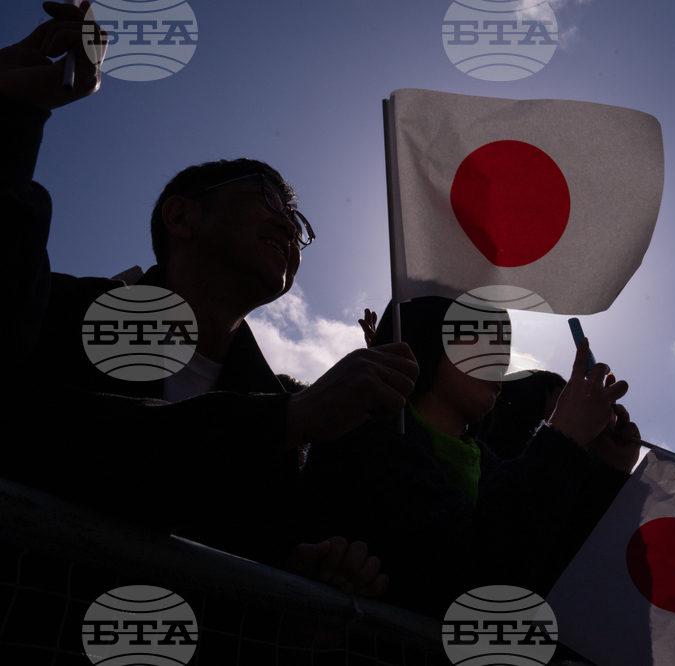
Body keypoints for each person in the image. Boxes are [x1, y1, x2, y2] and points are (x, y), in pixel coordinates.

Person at [0, 2, 418, 594]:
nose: (289, 228)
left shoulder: (275, 409)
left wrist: (286, 579)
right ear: (182, 217)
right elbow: (39, 436)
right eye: (270, 199)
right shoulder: (57, 311)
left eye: (299, 224)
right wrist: (14, 115)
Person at [299, 296, 641, 617]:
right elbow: (472, 574)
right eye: (482, 338)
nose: (501, 359)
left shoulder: (492, 466)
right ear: (429, 330)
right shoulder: (362, 434)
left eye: (505, 346)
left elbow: (557, 574)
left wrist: (607, 474)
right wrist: (564, 438)